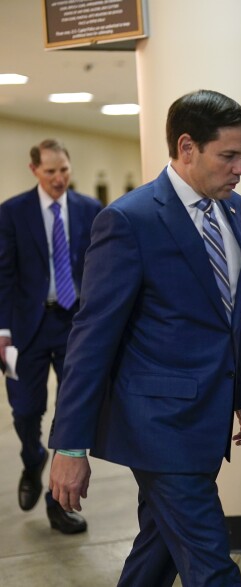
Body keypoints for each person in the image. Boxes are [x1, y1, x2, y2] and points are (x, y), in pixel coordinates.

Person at [47, 89, 241, 586]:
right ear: (186, 147)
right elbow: (91, 336)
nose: (240, 169)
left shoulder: (235, 211)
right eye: (228, 156)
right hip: (160, 426)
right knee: (212, 567)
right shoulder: (130, 220)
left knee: (157, 552)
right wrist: (69, 445)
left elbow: (232, 313)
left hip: (207, 418)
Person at [0, 139, 101, 535]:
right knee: (25, 409)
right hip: (27, 327)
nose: (59, 179)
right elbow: (3, 276)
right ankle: (32, 457)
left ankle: (57, 504)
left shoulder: (91, 210)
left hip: (76, 325)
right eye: (50, 172)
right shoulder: (11, 213)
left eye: (64, 170)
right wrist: (2, 330)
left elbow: (98, 271)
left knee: (72, 412)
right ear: (34, 171)